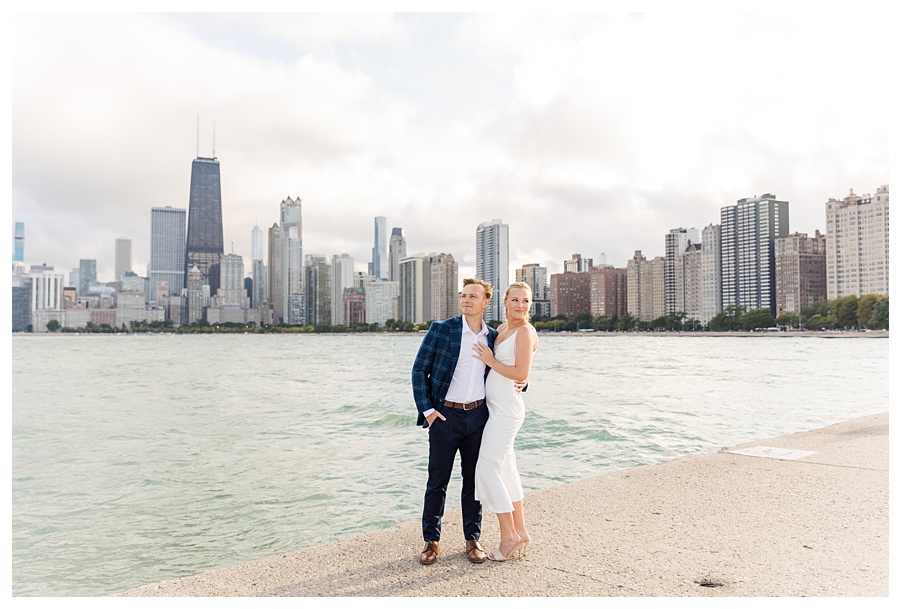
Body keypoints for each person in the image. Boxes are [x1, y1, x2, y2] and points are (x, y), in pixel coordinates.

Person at [411, 278, 496, 565]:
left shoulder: (493, 337)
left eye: (473, 296)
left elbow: (507, 371)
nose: (466, 300)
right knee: (437, 481)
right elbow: (419, 370)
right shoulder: (443, 330)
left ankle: (473, 541)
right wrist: (428, 412)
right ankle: (431, 542)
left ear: (486, 302)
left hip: (478, 417)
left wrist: (522, 383)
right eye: (463, 295)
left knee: (474, 482)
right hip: (445, 416)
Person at [472, 282, 539, 561]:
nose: (520, 306)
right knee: (508, 471)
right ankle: (520, 531)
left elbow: (521, 370)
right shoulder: (502, 330)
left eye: (525, 301)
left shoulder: (525, 331)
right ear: (505, 302)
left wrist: (490, 361)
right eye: (515, 300)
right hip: (496, 409)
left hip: (508, 412)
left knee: (487, 468)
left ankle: (508, 535)